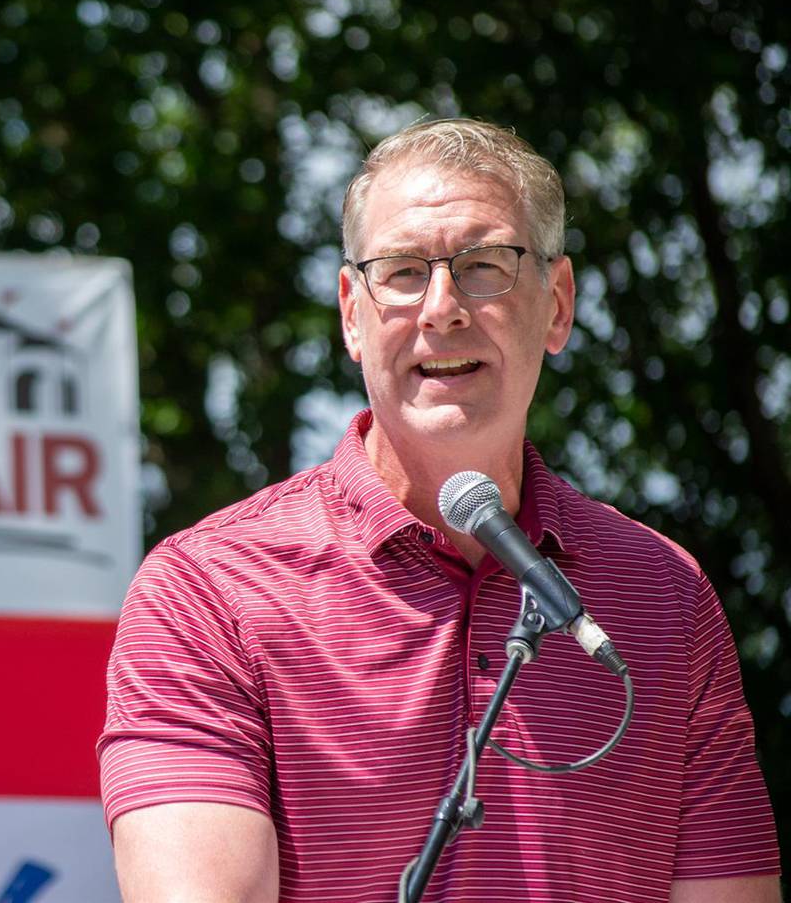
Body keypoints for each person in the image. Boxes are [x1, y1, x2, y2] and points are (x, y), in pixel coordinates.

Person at [98, 119, 780, 902]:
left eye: (485, 266)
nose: (442, 307)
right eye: (403, 271)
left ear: (557, 305)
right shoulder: (209, 589)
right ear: (352, 312)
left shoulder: (665, 593)